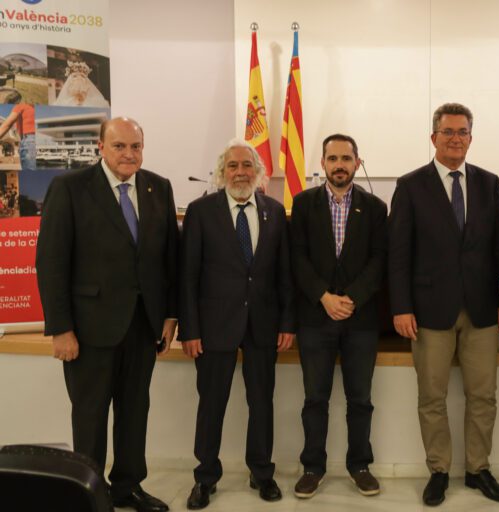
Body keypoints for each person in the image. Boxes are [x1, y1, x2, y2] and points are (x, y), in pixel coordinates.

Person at [36, 117, 178, 512]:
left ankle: (128, 487)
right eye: (119, 146)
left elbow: (169, 259)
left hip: (143, 325)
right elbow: (51, 262)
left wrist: (170, 316)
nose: (129, 154)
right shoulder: (70, 187)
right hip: (88, 328)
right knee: (91, 417)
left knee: (134, 412)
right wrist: (60, 328)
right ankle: (89, 492)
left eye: (136, 146)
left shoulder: (158, 187)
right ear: (101, 146)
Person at [388, 103, 499, 506]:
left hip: (482, 309)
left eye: (462, 132)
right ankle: (439, 470)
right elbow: (398, 253)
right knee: (432, 396)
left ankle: (478, 469)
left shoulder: (489, 183)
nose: (455, 139)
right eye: (448, 132)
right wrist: (401, 306)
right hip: (428, 311)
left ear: (471, 138)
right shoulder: (410, 185)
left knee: (484, 396)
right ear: (434, 138)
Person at [178, 139, 295, 510]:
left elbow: (284, 273)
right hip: (214, 326)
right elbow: (187, 276)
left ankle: (261, 472)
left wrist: (287, 322)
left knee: (261, 402)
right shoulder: (200, 211)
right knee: (212, 404)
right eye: (233, 166)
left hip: (263, 324)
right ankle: (205, 478)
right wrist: (190, 330)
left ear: (258, 172)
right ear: (221, 172)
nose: (240, 172)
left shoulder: (274, 211)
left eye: (247, 165)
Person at [290, 133, 387, 499]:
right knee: (315, 399)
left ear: (357, 163)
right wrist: (324, 297)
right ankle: (312, 468)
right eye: (333, 159)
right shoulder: (303, 204)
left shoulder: (375, 207)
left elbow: (379, 260)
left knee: (360, 399)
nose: (340, 165)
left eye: (346, 158)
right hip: (316, 318)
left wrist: (351, 299)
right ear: (323, 163)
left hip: (360, 320)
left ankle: (359, 466)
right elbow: (297, 257)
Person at [0, 89, 35, 170]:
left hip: (29, 140)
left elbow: (7, 124)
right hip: (35, 138)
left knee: (29, 170)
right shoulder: (34, 108)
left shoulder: (20, 107)